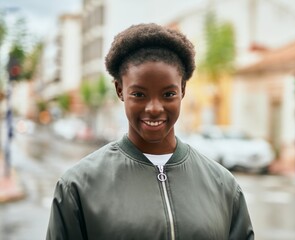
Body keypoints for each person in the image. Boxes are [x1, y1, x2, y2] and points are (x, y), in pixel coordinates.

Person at [46, 23, 254, 240]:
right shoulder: (77, 186)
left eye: (168, 94)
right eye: (139, 94)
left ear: (182, 90)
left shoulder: (223, 185)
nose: (154, 108)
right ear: (120, 90)